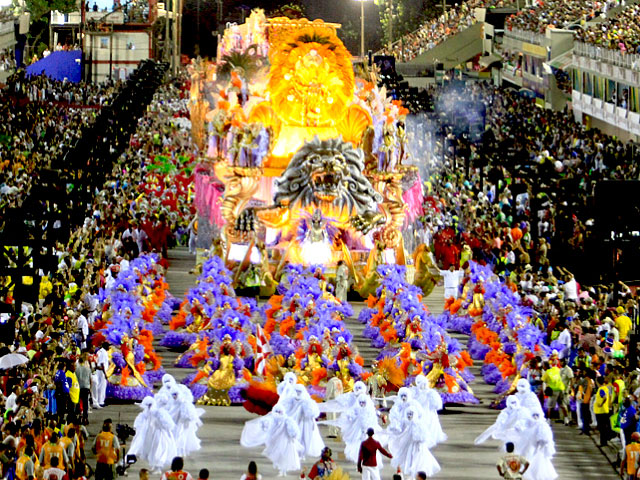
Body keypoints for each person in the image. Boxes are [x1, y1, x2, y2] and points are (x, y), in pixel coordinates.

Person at [594, 376, 611, 447]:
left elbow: (605, 397)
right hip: (605, 410)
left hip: (601, 411)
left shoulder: (601, 389)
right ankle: (604, 442)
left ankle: (603, 442)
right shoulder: (606, 388)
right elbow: (609, 397)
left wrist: (601, 404)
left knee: (602, 428)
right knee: (604, 427)